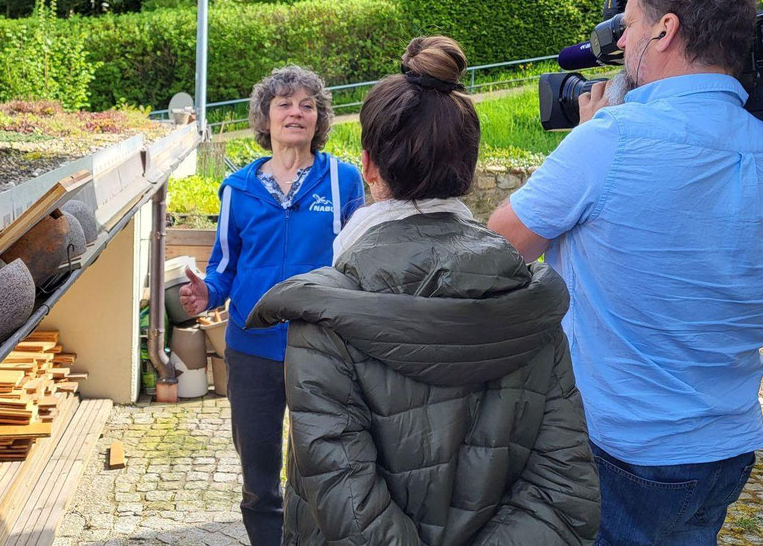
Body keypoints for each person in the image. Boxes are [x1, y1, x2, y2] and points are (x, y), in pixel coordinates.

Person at [489, 0, 763, 545]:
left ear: (664, 29)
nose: (619, 41)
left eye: (628, 22)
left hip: (624, 450)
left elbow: (497, 251)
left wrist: (584, 139)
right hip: (726, 445)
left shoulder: (611, 140)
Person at [247, 36, 601, 545]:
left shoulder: (325, 314)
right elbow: (563, 492)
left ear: (368, 167)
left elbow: (345, 503)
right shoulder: (533, 301)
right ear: (470, 171)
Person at [178, 66, 364, 546]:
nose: (296, 113)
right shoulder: (237, 188)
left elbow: (361, 260)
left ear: (320, 118)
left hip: (322, 348)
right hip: (252, 349)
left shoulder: (344, 182)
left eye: (307, 104)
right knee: (259, 474)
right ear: (266, 116)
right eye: (284, 104)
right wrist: (208, 293)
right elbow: (224, 267)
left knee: (326, 465)